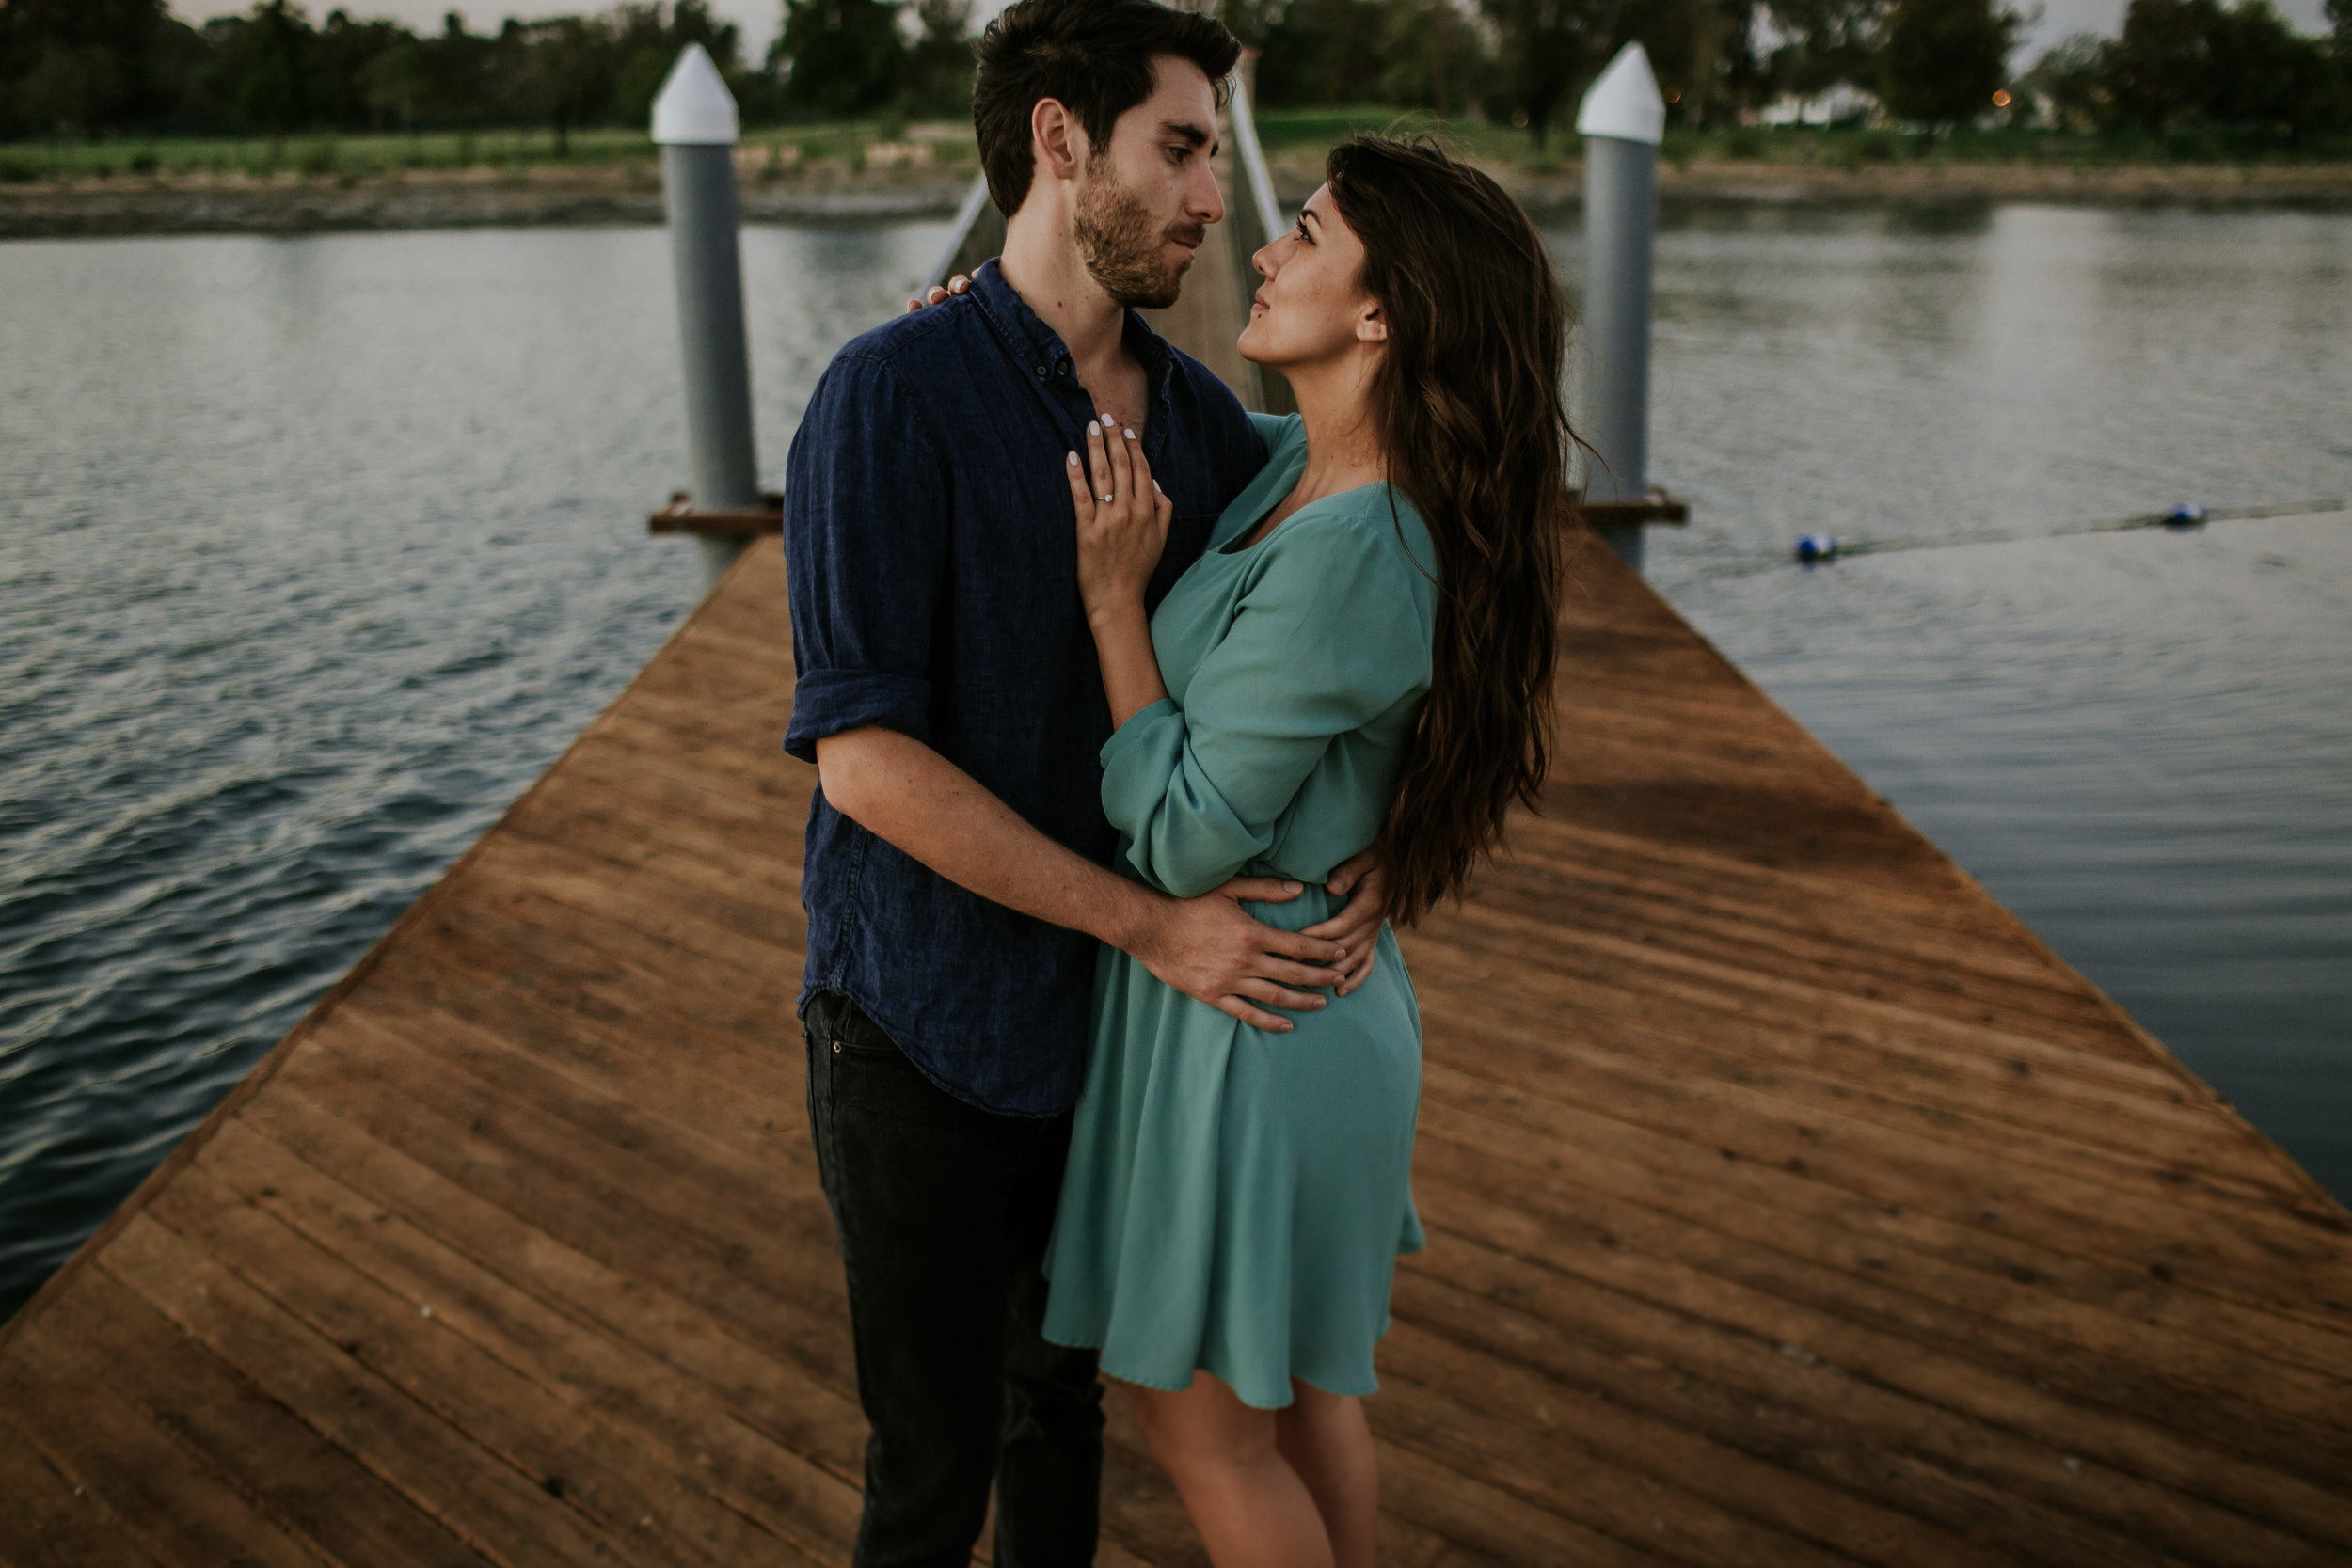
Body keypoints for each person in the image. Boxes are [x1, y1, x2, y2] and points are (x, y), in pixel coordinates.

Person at [778, 3, 1391, 1564]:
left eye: (1210, 154)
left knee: (1064, 1419)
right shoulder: (888, 394)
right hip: (915, 1025)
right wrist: (1150, 924)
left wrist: (1406, 830)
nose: (1213, 196)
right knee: (928, 1462)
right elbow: (863, 764)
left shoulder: (1208, 427)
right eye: (1180, 150)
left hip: (1115, 1048)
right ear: (1060, 142)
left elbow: (1394, 560)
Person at [1036, 137, 1572, 1568]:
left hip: (1256, 1025)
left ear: (1382, 313)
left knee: (1201, 1427)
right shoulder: (1301, 473)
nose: (1261, 255)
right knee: (1300, 1395)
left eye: (1307, 238)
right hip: (1310, 996)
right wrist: (975, 317)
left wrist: (1112, 609)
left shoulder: (1352, 549)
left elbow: (1184, 833)